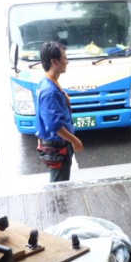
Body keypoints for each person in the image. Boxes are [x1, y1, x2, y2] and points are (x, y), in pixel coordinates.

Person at [35, 41, 84, 182]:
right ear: (55, 62)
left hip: (58, 145)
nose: (67, 61)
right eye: (64, 57)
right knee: (59, 186)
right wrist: (75, 141)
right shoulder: (50, 91)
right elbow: (54, 126)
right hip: (57, 146)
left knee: (60, 181)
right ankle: (58, 205)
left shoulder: (48, 81)